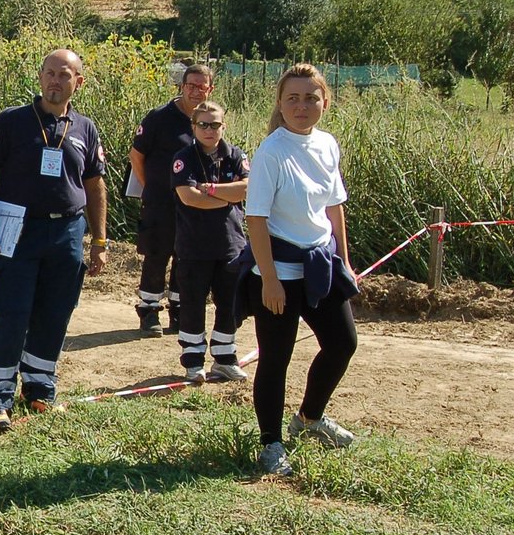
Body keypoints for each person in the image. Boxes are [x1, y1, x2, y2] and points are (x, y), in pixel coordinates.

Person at [0, 49, 108, 430]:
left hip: (67, 232)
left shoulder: (85, 128)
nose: (55, 81)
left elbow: (95, 185)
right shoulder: (12, 121)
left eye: (64, 75)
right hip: (19, 229)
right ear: (39, 77)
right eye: (49, 73)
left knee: (55, 313)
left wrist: (99, 241)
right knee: (11, 312)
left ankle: (39, 390)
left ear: (78, 82)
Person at [242, 64, 359, 476]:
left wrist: (344, 260)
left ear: (325, 102)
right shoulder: (271, 152)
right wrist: (270, 280)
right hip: (278, 273)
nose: (302, 105)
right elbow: (255, 219)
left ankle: (309, 419)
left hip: (320, 264)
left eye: (311, 97)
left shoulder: (327, 144)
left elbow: (333, 205)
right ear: (280, 103)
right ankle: (271, 444)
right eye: (293, 98)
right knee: (276, 358)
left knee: (342, 343)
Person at [129, 63, 213, 334]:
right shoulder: (159, 118)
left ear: (210, 89)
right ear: (182, 87)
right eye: (191, 85)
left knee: (185, 259)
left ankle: (178, 312)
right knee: (156, 256)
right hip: (160, 203)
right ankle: (149, 311)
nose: (196, 91)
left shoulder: (209, 119)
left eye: (202, 86)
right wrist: (150, 187)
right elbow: (136, 156)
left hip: (192, 206)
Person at [170, 101, 250, 384]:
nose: (209, 129)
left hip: (230, 246)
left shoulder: (236, 155)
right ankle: (193, 361)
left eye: (215, 124)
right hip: (193, 247)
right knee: (192, 304)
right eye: (203, 124)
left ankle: (225, 358)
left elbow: (244, 190)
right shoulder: (184, 157)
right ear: (194, 127)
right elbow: (188, 197)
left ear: (223, 126)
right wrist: (225, 197)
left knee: (229, 304)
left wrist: (212, 190)